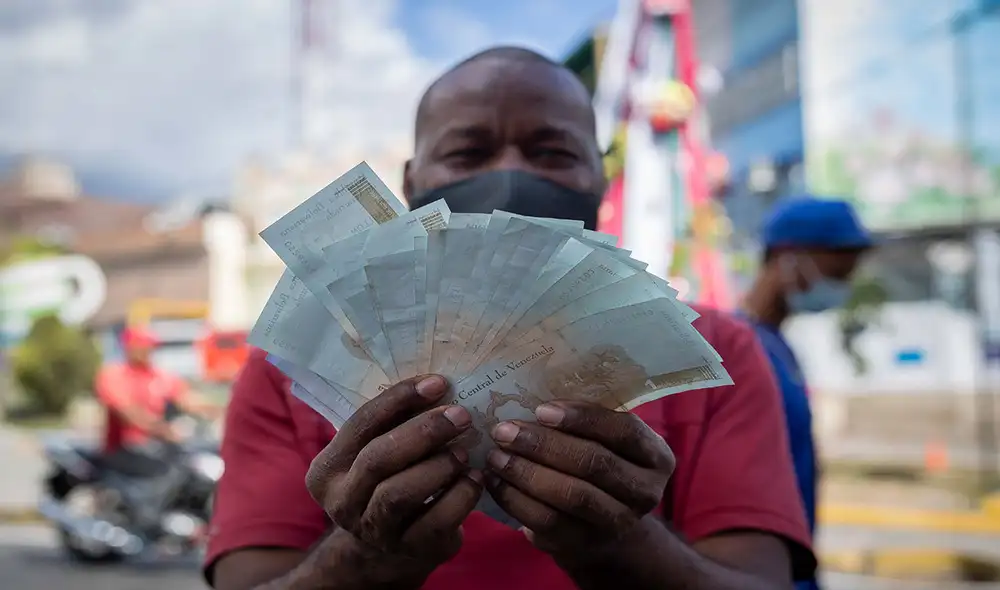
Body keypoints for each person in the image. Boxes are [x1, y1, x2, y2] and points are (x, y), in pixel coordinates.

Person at [206, 46, 817, 590]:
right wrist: (370, 556)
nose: (511, 175)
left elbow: (761, 577)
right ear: (412, 185)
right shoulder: (288, 371)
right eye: (468, 152)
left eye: (551, 151)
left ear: (598, 182)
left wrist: (618, 542)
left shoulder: (721, 353)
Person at [741, 197, 873, 590]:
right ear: (787, 260)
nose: (841, 289)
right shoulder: (738, 351)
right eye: (835, 274)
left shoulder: (780, 348)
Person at [95, 326, 220, 529]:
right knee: (172, 469)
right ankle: (149, 520)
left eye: (150, 347)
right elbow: (128, 412)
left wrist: (224, 410)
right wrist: (162, 430)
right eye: (142, 346)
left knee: (193, 463)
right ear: (129, 347)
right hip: (125, 448)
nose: (147, 351)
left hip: (157, 446)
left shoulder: (159, 376)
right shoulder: (114, 375)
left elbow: (189, 400)